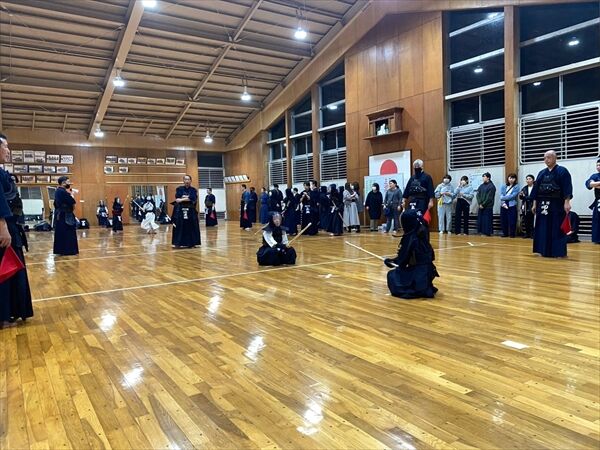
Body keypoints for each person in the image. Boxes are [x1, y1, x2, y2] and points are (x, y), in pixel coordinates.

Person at [0, 132, 33, 326]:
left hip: (11, 226)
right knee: (5, 268)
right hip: (3, 228)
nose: (8, 150)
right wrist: (2, 226)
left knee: (12, 268)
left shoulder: (3, 172)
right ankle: (3, 313)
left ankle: (11, 310)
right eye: (5, 146)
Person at [384, 209, 439, 299]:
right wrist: (393, 261)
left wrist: (390, 262)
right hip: (428, 272)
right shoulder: (422, 233)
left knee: (392, 275)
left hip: (419, 275)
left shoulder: (410, 238)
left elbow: (402, 261)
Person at [531, 150, 573, 257]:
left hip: (557, 204)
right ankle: (542, 250)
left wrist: (567, 202)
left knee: (556, 227)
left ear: (555, 158)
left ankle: (558, 252)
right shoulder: (541, 173)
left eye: (549, 157)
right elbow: (536, 190)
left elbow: (567, 188)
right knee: (542, 227)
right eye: (544, 158)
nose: (546, 160)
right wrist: (534, 204)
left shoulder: (562, 171)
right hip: (542, 204)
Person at [172, 175, 201, 248]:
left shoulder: (193, 190)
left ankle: (192, 243)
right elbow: (177, 198)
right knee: (180, 226)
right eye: (185, 179)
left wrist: (182, 199)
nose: (187, 181)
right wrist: (187, 198)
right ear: (183, 181)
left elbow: (193, 198)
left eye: (188, 179)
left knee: (191, 226)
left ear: (191, 181)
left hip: (191, 211)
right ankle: (178, 243)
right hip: (181, 211)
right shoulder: (179, 189)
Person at [53, 176, 79, 255]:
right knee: (68, 233)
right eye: (68, 181)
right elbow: (72, 203)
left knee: (61, 233)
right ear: (63, 183)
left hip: (60, 215)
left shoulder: (58, 191)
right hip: (65, 215)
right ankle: (68, 250)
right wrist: (71, 195)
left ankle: (61, 250)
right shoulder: (63, 192)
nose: (69, 183)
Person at [500, 173, 520, 238]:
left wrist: (504, 197)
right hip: (503, 204)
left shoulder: (516, 186)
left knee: (512, 220)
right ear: (508, 178)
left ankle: (512, 234)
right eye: (510, 178)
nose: (511, 179)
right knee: (504, 220)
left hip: (512, 205)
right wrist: (503, 201)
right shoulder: (503, 186)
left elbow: (513, 196)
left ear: (515, 179)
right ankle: (505, 233)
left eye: (513, 178)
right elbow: (501, 195)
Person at [585, 158, 600, 244]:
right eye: (597, 165)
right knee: (597, 220)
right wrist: (595, 184)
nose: (598, 167)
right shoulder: (594, 176)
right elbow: (589, 184)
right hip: (598, 201)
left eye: (599, 165)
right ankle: (598, 239)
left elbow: (594, 184)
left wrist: (596, 184)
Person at [476, 172, 496, 237]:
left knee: (487, 220)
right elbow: (477, 194)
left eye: (484, 177)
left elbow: (489, 197)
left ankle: (487, 233)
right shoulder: (481, 186)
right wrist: (479, 203)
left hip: (488, 206)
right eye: (483, 177)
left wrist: (483, 204)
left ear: (488, 178)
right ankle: (481, 231)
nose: (483, 178)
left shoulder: (492, 186)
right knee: (481, 219)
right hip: (481, 206)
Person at [519, 174, 535, 239]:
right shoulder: (524, 188)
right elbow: (521, 197)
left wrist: (525, 197)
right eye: (527, 179)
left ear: (533, 180)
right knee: (526, 221)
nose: (528, 180)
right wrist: (521, 195)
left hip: (533, 205)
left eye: (529, 179)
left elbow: (533, 197)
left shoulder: (535, 187)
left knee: (532, 221)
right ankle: (527, 233)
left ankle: (532, 234)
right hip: (525, 206)